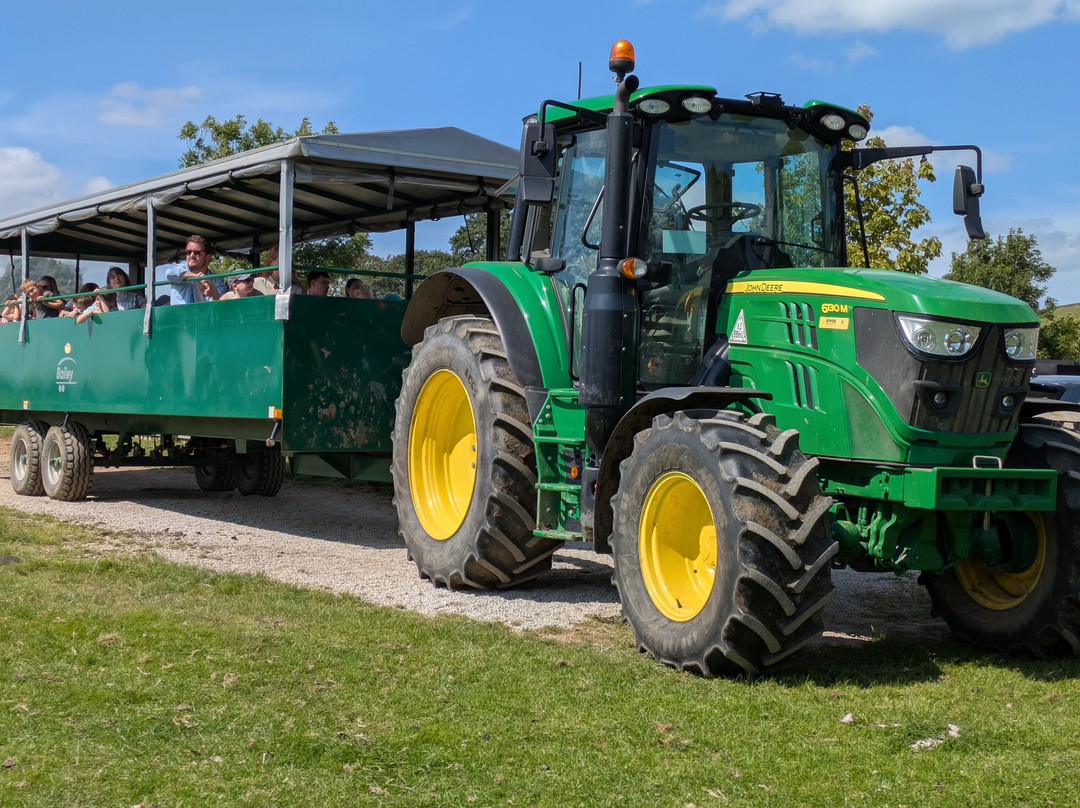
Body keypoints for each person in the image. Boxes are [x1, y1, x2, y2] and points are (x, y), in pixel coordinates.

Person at [165, 235, 221, 304]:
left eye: (197, 252)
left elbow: (221, 304)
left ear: (208, 257)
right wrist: (197, 277)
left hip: (207, 314)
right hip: (182, 314)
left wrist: (211, 287)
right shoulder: (179, 269)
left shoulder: (217, 279)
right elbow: (169, 274)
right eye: (188, 252)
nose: (191, 256)